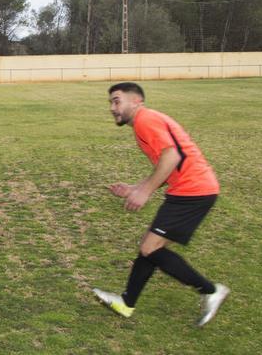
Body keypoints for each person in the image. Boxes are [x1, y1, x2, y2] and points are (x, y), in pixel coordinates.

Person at [92, 82, 230, 327]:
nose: (112, 108)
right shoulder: (146, 121)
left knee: (150, 248)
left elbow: (172, 156)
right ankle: (126, 303)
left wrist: (145, 191)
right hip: (191, 189)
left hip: (193, 191)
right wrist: (135, 188)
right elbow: (167, 164)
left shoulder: (146, 119)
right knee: (149, 247)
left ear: (136, 101)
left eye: (117, 101)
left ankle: (210, 290)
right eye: (111, 103)